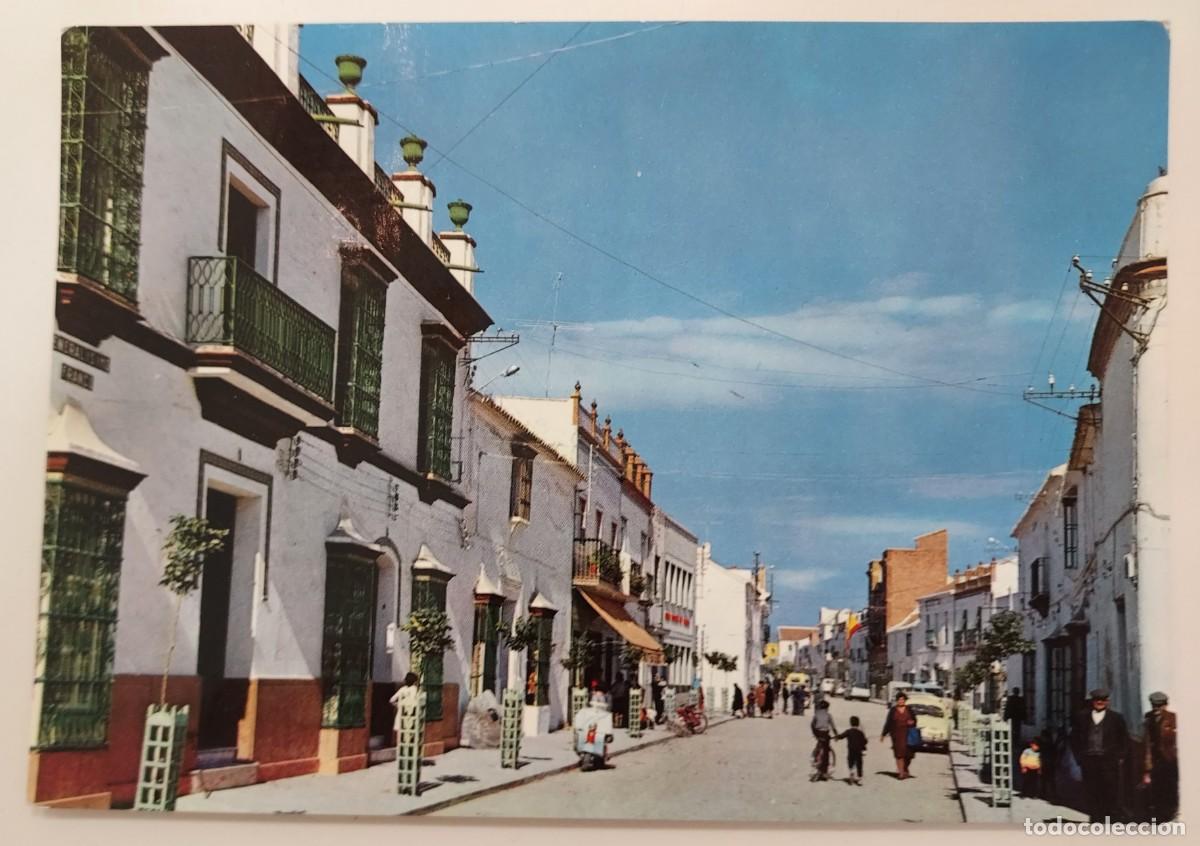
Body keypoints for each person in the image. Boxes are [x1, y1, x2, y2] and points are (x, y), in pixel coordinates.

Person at [1070, 688, 1129, 823]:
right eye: (1097, 700)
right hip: (1089, 761)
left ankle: (1109, 820)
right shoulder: (1081, 717)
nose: (1100, 702)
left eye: (1103, 700)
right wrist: (1079, 758)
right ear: (1093, 701)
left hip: (1109, 761)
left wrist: (1120, 757)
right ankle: (1095, 819)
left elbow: (1124, 740)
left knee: (1110, 790)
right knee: (1091, 790)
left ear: (1107, 702)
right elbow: (1073, 738)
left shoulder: (1116, 718)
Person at [1142, 691, 1178, 821]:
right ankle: (1159, 813)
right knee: (1156, 786)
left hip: (1169, 759)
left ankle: (1170, 813)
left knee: (1169, 786)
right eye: (1154, 706)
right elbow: (1147, 740)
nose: (1156, 709)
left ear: (1165, 705)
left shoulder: (1173, 718)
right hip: (1155, 758)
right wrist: (1147, 762)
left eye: (1160, 706)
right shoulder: (1148, 717)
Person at [881, 692, 917, 779]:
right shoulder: (893, 710)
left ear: (905, 700)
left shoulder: (909, 709)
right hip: (896, 735)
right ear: (897, 701)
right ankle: (901, 772)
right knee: (899, 754)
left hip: (908, 735)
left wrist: (912, 722)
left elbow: (915, 720)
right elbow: (888, 723)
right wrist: (883, 734)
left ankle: (905, 768)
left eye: (903, 699)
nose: (901, 701)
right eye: (899, 700)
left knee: (908, 754)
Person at [810, 699, 838, 780]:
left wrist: (815, 734)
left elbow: (812, 725)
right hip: (825, 734)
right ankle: (824, 771)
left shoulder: (816, 714)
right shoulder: (828, 715)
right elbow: (833, 727)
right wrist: (836, 736)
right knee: (826, 753)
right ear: (827, 708)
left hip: (818, 733)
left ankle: (815, 760)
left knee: (818, 747)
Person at [1005, 687, 1027, 785]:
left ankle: (1013, 741)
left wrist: (1005, 717)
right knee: (1017, 730)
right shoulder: (1020, 699)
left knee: (1014, 729)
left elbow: (1008, 708)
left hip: (1013, 717)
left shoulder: (1011, 699)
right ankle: (1015, 741)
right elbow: (1023, 709)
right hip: (1017, 717)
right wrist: (1024, 717)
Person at [836, 715, 868, 785]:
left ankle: (851, 771)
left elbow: (842, 736)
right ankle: (859, 778)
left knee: (850, 761)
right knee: (859, 764)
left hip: (851, 750)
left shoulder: (848, 731)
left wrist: (837, 737)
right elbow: (865, 741)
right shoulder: (860, 733)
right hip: (858, 751)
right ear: (858, 724)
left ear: (850, 723)